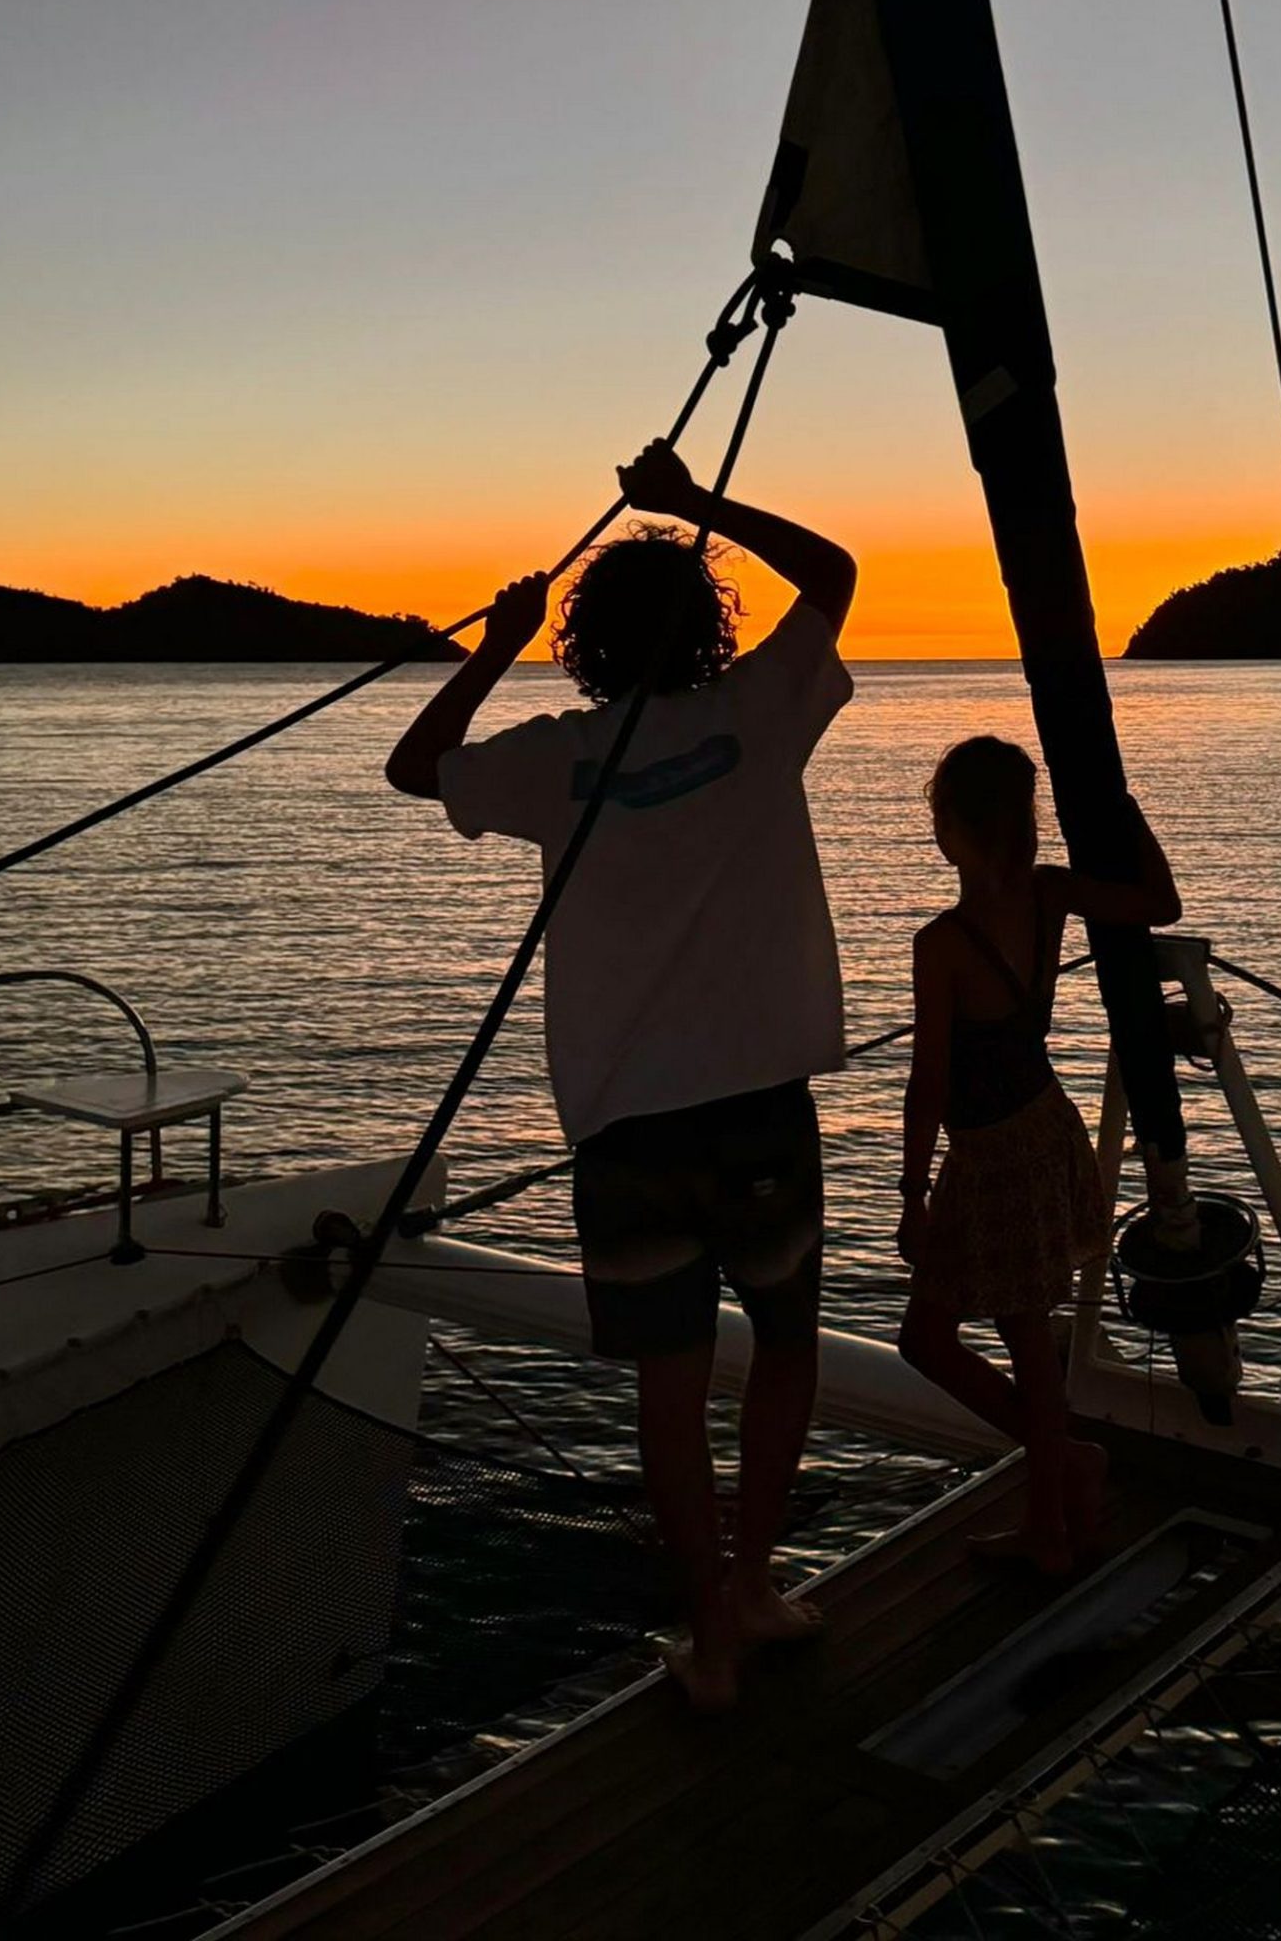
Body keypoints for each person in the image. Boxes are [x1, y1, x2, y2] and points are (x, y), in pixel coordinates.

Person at [385, 440, 856, 1710]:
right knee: (786, 1348)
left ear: (586, 645)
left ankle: (709, 1637)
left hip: (630, 1130)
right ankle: (754, 1583)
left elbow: (412, 767)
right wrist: (692, 501)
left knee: (668, 1388)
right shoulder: (760, 715)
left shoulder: (560, 757)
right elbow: (834, 572)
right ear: (708, 628)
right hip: (759, 1106)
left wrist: (495, 643)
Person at [895, 737, 1181, 1574]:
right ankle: (1070, 1469)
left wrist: (910, 1192)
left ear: (955, 826)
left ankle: (1051, 1528)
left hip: (994, 1156)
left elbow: (929, 1081)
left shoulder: (942, 944)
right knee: (933, 1336)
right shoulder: (1049, 894)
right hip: (1037, 1131)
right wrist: (1126, 816)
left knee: (1010, 1339)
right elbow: (1159, 904)